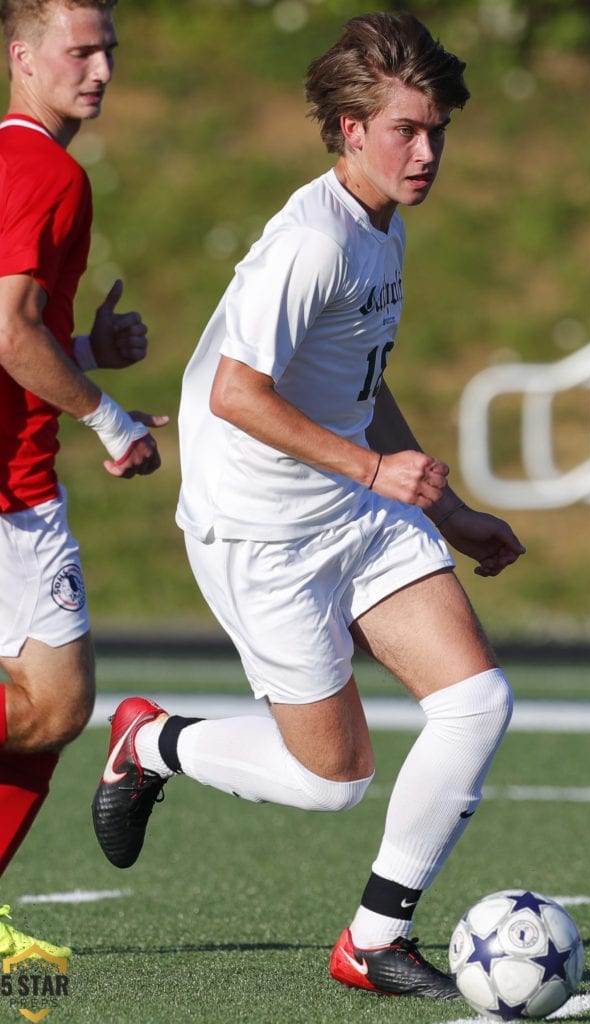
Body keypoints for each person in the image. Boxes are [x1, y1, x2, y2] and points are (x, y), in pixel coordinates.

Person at [92, 10, 525, 999]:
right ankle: (151, 741)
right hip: (261, 529)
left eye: (436, 130)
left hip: (350, 506)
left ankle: (373, 938)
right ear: (346, 130)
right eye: (404, 130)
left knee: (474, 701)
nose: (424, 151)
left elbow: (357, 381)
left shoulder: (384, 226)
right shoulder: (309, 244)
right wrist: (378, 476)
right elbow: (238, 392)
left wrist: (446, 510)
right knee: (332, 782)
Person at [0, 0, 166, 960]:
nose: (100, 68)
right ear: (23, 57)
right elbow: (8, 331)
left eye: (109, 50)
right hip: (11, 483)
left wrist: (86, 348)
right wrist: (105, 416)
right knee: (57, 708)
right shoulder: (46, 170)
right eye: (80, 50)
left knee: (43, 717)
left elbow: (18, 328)